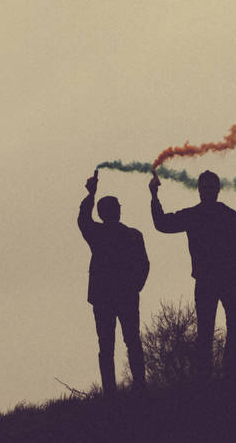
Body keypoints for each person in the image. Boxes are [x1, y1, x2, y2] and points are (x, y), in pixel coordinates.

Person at [149, 169, 236, 380]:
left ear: (216, 190)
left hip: (218, 280)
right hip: (215, 280)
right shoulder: (223, 214)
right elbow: (162, 224)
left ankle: (216, 377)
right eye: (205, 188)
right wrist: (154, 197)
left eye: (209, 188)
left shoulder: (203, 215)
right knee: (212, 330)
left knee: (220, 329)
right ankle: (220, 376)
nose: (207, 191)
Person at [78, 169, 149, 395]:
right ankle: (137, 387)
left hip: (109, 297)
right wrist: (135, 287)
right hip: (118, 296)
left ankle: (114, 391)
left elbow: (82, 219)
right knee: (126, 342)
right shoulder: (130, 234)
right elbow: (144, 265)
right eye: (116, 207)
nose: (118, 210)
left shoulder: (101, 233)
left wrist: (91, 194)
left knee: (111, 345)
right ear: (110, 211)